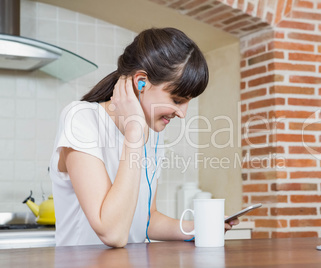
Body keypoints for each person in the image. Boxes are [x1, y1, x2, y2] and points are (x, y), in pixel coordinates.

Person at [49, 27, 239, 247]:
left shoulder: (152, 135)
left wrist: (200, 227)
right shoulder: (81, 119)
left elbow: (145, 220)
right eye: (177, 100)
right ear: (141, 82)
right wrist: (134, 132)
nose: (182, 114)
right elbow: (113, 233)